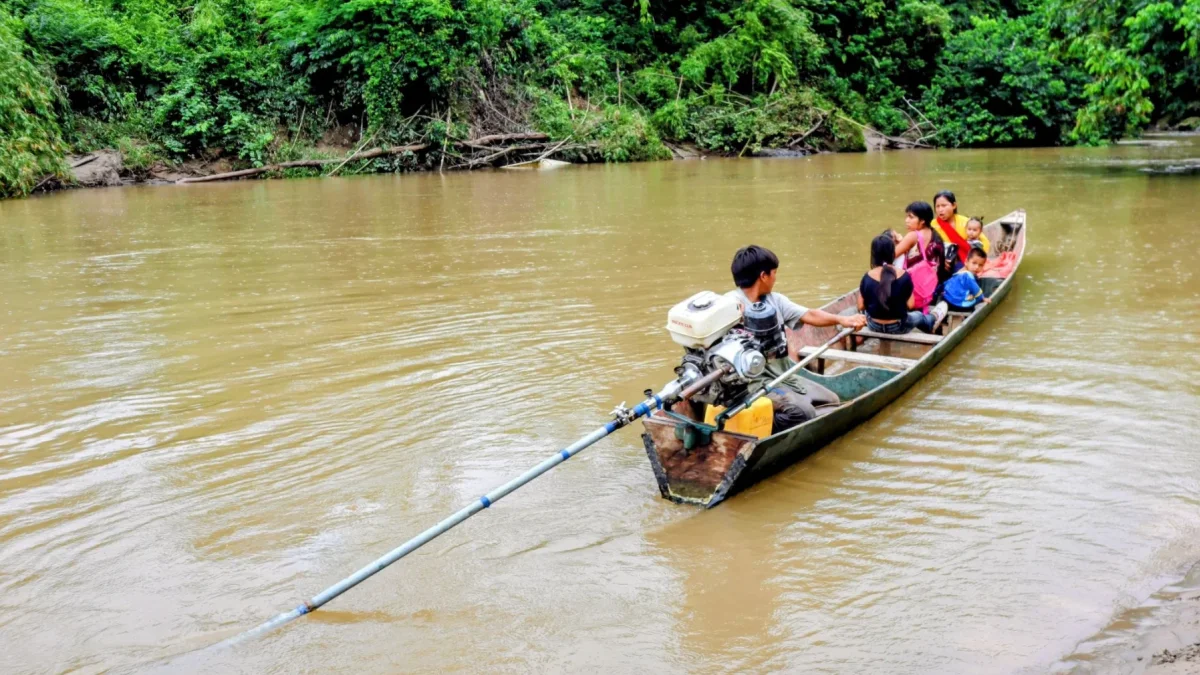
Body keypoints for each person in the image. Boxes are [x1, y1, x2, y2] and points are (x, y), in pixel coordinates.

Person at [725, 245, 865, 431]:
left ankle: (783, 418)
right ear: (763, 276)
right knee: (803, 413)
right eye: (774, 273)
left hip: (780, 378)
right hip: (750, 386)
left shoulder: (775, 300)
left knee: (832, 401)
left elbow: (810, 315)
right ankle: (756, 428)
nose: (775, 278)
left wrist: (843, 319)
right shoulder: (728, 306)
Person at [857, 234, 940, 334]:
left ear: (873, 254)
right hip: (898, 327)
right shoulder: (904, 276)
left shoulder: (867, 277)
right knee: (918, 315)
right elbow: (911, 304)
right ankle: (932, 319)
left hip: (874, 325)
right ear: (892, 253)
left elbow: (860, 306)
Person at [893, 201, 948, 330]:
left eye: (911, 217)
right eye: (907, 216)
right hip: (931, 288)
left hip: (913, 292)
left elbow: (890, 255)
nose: (906, 220)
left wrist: (893, 242)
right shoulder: (935, 234)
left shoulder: (913, 236)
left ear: (922, 220)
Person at [932, 190, 991, 262]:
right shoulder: (932, 225)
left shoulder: (967, 222)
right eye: (937, 206)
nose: (940, 210)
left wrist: (976, 260)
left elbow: (985, 242)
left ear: (954, 205)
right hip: (943, 261)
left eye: (944, 206)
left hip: (968, 259)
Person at [942, 246, 991, 313]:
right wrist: (982, 298)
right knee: (977, 297)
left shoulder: (958, 273)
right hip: (959, 305)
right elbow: (975, 289)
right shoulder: (968, 275)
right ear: (966, 262)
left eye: (980, 265)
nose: (976, 267)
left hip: (948, 300)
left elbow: (946, 283)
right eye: (974, 263)